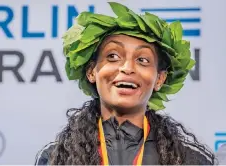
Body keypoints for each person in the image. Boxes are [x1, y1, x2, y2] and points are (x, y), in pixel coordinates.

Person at [35, 2, 215, 165]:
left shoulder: (188, 160)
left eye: (143, 60)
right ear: (92, 71)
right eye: (113, 56)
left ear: (159, 79)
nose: (127, 68)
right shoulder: (57, 157)